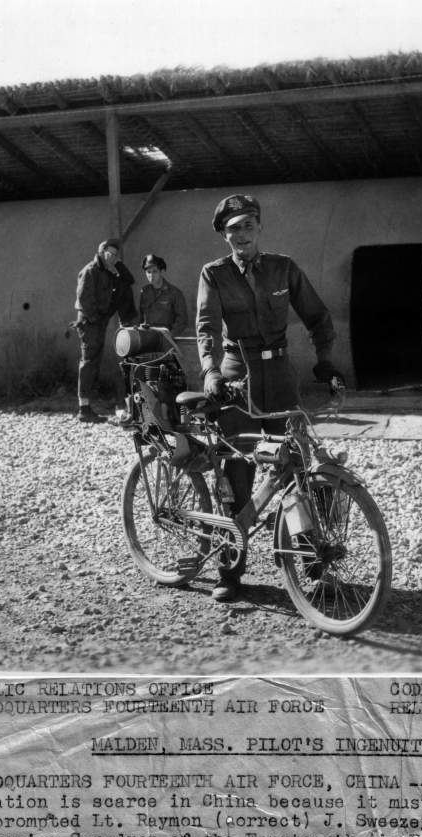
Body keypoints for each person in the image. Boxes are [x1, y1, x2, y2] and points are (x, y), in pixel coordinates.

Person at [196, 193, 344, 602]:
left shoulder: (284, 268)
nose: (240, 235)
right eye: (232, 230)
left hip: (280, 376)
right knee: (234, 473)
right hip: (236, 377)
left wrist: (326, 363)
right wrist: (210, 372)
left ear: (259, 227)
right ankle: (230, 571)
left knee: (296, 469)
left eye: (247, 226)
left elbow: (317, 316)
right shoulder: (214, 274)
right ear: (224, 237)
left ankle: (315, 567)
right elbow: (206, 328)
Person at [73, 239, 138, 423]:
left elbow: (129, 281)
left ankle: (86, 407)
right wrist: (97, 320)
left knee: (93, 362)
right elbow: (84, 299)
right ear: (101, 252)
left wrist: (116, 263)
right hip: (89, 322)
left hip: (98, 323)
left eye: (116, 255)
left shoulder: (108, 271)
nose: (113, 258)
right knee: (88, 363)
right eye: (110, 254)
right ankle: (83, 409)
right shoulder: (91, 270)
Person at [139, 254, 188, 334]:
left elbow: (183, 321)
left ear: (162, 271)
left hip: (166, 338)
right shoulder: (144, 292)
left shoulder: (174, 293)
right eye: (148, 272)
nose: (151, 275)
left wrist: (170, 335)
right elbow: (141, 319)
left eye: (154, 271)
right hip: (147, 338)